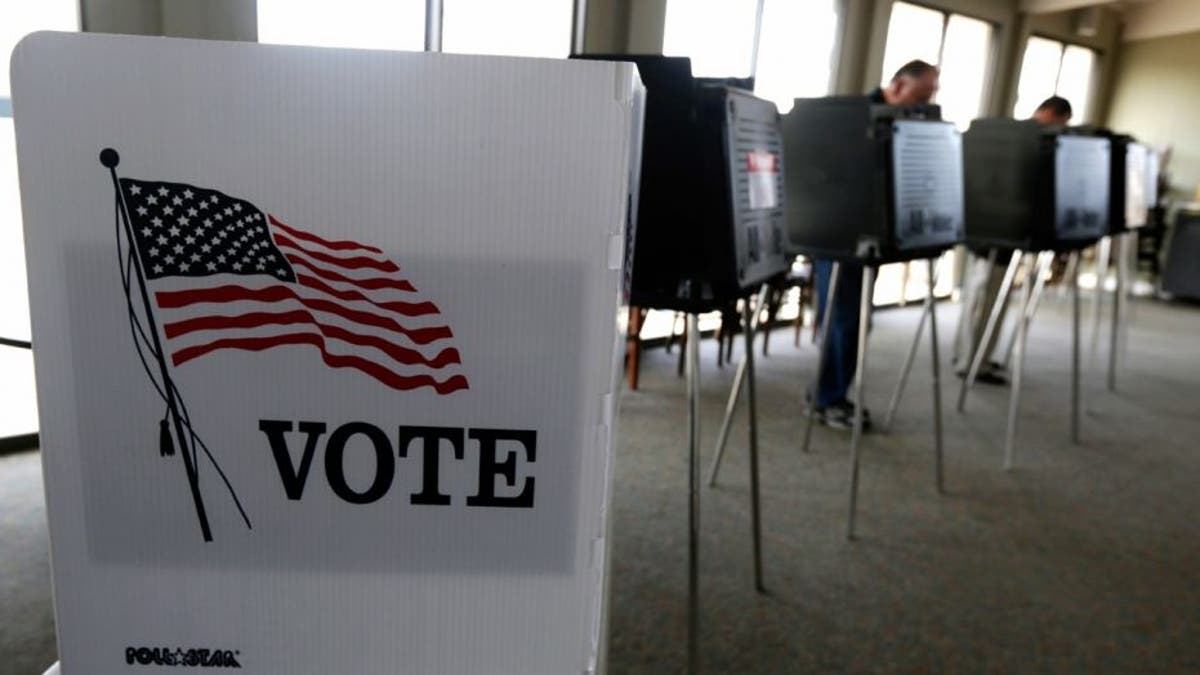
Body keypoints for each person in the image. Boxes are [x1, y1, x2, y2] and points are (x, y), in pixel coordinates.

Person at [811, 60, 940, 430]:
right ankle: (829, 400)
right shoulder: (852, 115)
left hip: (872, 235)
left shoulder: (903, 119)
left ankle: (825, 394)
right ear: (898, 85)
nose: (923, 102)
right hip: (838, 233)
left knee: (852, 321)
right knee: (844, 321)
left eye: (930, 95)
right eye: (920, 94)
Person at [958, 95, 1073, 385]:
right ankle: (972, 362)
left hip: (987, 230)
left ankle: (971, 356)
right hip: (998, 233)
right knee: (983, 299)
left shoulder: (1006, 136)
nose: (1059, 129)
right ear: (1049, 113)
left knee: (981, 297)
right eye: (1060, 122)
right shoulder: (1027, 141)